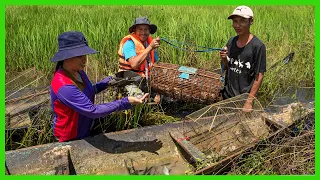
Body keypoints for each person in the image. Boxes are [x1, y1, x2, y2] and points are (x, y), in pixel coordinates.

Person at [50, 31, 149, 142]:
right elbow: (93, 111)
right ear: (67, 58)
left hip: (85, 128)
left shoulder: (78, 72)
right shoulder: (64, 86)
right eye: (80, 56)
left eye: (85, 55)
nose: (85, 60)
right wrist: (126, 102)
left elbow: (89, 91)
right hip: (70, 136)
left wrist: (111, 80)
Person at [219, 6, 266, 112]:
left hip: (242, 99)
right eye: (235, 21)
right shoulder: (231, 41)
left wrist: (249, 102)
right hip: (227, 95)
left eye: (242, 21)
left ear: (251, 21)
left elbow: (259, 76)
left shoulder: (258, 46)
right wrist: (224, 58)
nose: (237, 25)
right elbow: (226, 67)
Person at [117, 17, 161, 103]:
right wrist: (150, 47)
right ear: (135, 31)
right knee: (140, 99)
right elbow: (134, 64)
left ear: (149, 31)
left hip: (143, 79)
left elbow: (156, 64)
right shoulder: (129, 44)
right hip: (128, 79)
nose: (143, 32)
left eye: (146, 29)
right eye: (140, 29)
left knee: (161, 95)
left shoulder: (149, 43)